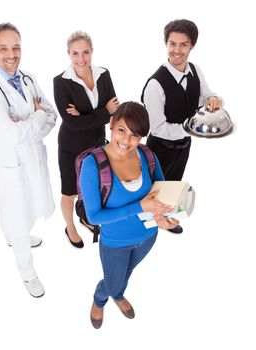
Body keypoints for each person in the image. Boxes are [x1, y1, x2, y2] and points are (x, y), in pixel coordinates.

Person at [0, 23, 57, 297]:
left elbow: (52, 115)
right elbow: (12, 136)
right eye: (4, 48)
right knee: (15, 212)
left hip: (31, 156)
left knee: (30, 204)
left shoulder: (28, 78)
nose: (11, 54)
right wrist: (37, 116)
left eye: (16, 47)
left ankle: (15, 236)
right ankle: (27, 272)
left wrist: (31, 123)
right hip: (8, 162)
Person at [79, 102, 179, 329]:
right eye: (122, 130)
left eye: (135, 135)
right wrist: (140, 207)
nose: (126, 140)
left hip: (148, 237)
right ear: (111, 125)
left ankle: (118, 291)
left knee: (126, 273)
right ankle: (102, 297)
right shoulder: (93, 164)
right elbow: (94, 217)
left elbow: (162, 191)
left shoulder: (147, 154)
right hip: (115, 242)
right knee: (113, 282)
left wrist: (166, 216)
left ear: (142, 137)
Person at [141, 19, 223, 233]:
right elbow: (157, 128)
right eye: (172, 43)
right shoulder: (155, 84)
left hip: (184, 145)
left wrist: (213, 99)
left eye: (183, 44)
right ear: (166, 43)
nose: (176, 50)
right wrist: (192, 128)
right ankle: (145, 225)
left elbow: (205, 94)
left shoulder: (195, 69)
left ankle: (166, 220)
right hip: (160, 148)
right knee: (154, 190)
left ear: (192, 46)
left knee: (173, 186)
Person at [53, 31, 119, 248]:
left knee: (94, 189)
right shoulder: (61, 82)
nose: (81, 59)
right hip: (71, 147)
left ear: (92, 51)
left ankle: (85, 218)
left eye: (85, 52)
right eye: (75, 53)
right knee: (70, 192)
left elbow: (114, 110)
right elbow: (72, 124)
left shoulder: (103, 74)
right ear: (68, 54)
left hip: (98, 144)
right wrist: (102, 112)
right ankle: (70, 227)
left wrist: (85, 116)